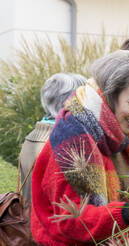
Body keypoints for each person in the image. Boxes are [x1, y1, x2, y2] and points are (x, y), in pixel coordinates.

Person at [30, 50, 129, 245]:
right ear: (111, 94)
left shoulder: (115, 137)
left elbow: (118, 200)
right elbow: (69, 220)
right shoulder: (73, 137)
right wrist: (127, 212)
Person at [19, 73, 86, 205]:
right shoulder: (62, 144)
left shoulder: (32, 137)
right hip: (49, 224)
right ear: (71, 101)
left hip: (30, 223)